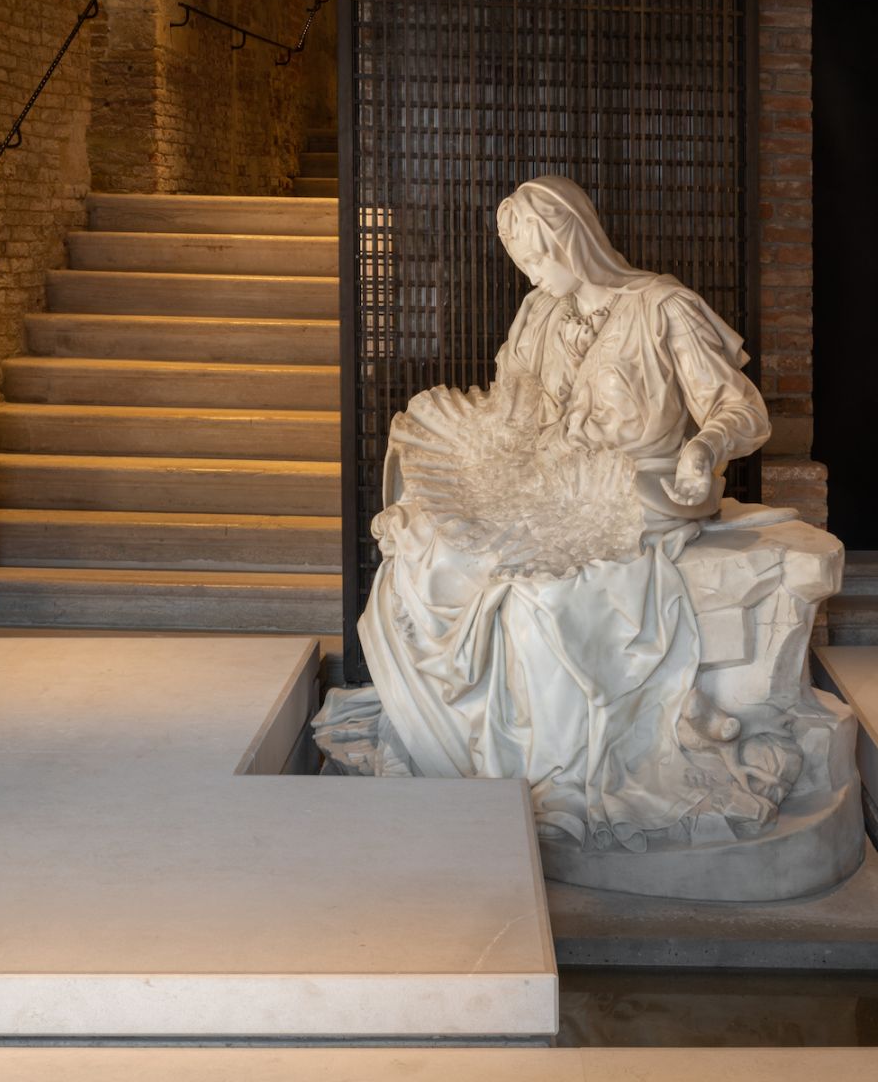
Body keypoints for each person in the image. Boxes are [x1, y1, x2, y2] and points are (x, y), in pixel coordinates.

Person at [317, 175, 799, 852]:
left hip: (644, 483)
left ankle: (579, 757)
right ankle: (464, 743)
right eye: (520, 263)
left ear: (571, 237)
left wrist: (703, 446)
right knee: (433, 545)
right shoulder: (539, 313)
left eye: (537, 258)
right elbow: (511, 405)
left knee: (542, 588)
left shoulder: (662, 307)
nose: (531, 274)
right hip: (546, 477)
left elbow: (741, 411)